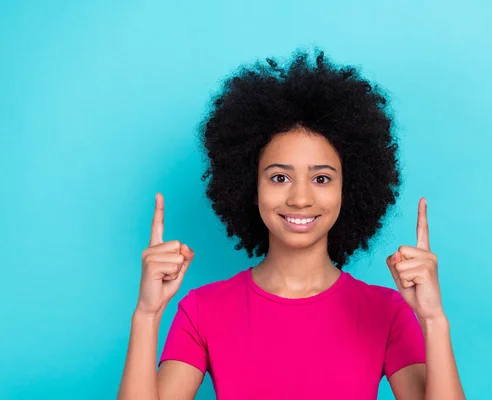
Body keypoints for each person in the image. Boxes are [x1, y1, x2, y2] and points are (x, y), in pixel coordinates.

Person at [117, 49, 465, 400]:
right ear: (250, 188)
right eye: (280, 177)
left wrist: (433, 319)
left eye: (322, 179)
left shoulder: (387, 312)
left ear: (350, 189)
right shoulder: (202, 309)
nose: (300, 199)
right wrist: (147, 314)